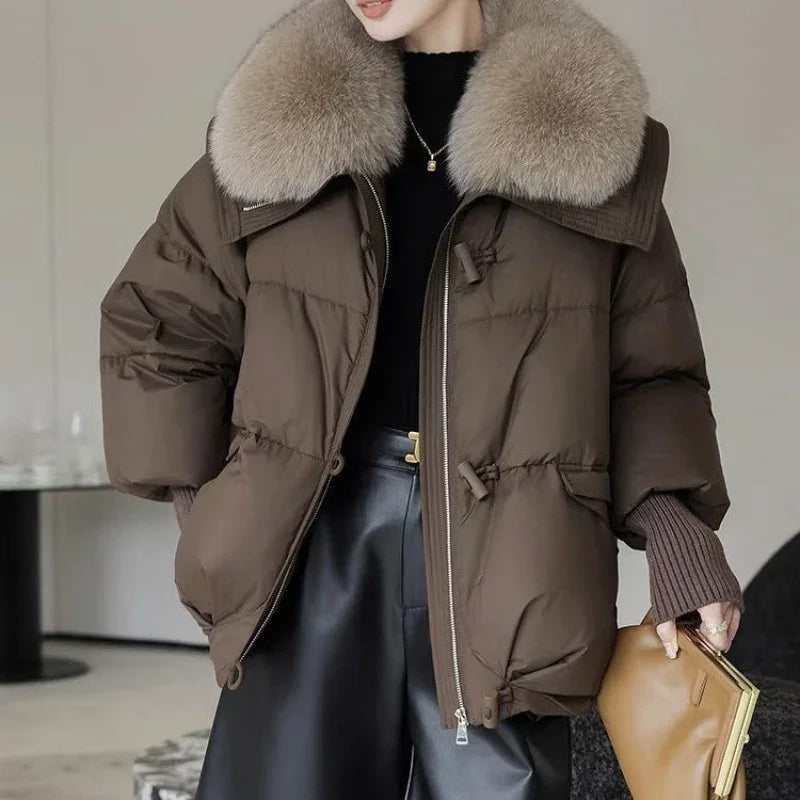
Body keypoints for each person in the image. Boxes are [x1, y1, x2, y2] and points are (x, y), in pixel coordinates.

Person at [99, 0, 745, 796]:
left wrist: (678, 534)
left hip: (516, 555)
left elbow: (649, 372)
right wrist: (218, 506)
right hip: (315, 544)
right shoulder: (280, 124)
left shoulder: (591, 138)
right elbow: (157, 320)